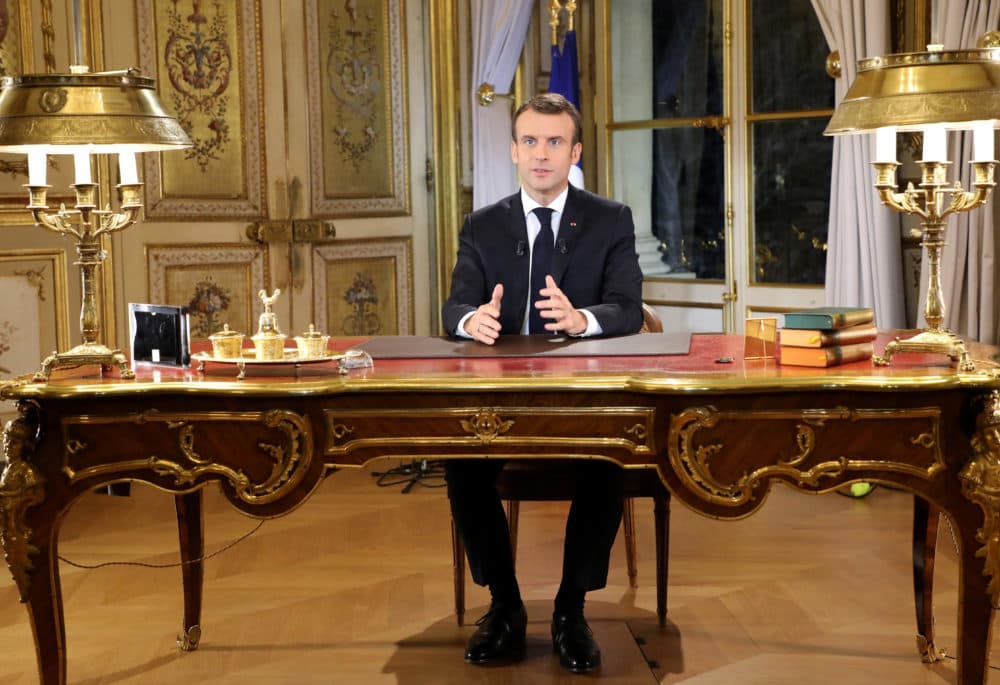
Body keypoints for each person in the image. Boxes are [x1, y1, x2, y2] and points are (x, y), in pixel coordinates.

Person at [441, 92, 644, 673]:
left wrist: (584, 320)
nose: (541, 154)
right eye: (530, 141)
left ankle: (570, 610)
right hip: (501, 396)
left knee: (608, 459)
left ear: (574, 151)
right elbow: (453, 305)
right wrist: (470, 319)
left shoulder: (610, 219)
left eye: (555, 142)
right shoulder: (483, 225)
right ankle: (504, 606)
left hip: (582, 393)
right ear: (513, 151)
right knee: (460, 461)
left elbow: (629, 308)